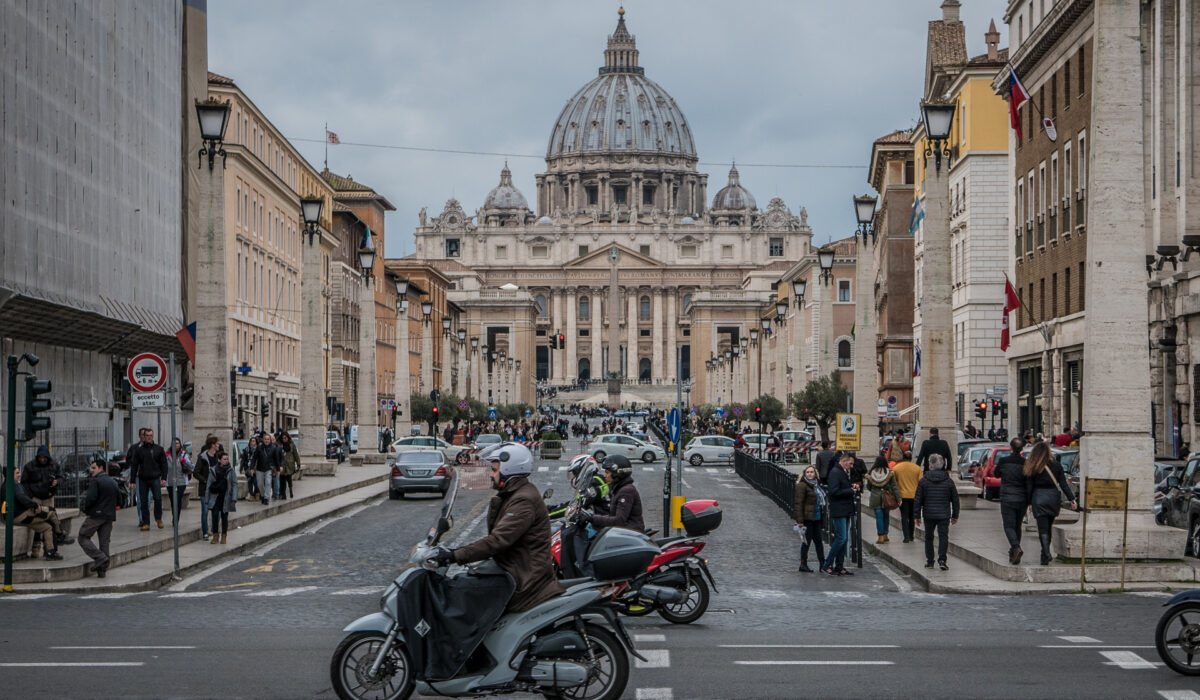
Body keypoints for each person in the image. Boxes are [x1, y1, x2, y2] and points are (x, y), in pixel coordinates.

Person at [434, 443, 565, 612]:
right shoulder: (515, 494)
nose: (491, 475)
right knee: (467, 582)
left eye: (495, 470)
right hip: (515, 569)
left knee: (463, 595)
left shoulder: (523, 500)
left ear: (509, 470)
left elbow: (497, 541)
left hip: (524, 580)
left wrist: (454, 555)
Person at [1024, 442, 1077, 565]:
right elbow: (1063, 484)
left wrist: (1029, 502)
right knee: (1048, 526)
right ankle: (1044, 554)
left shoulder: (1033, 466)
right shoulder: (1056, 465)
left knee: (1042, 528)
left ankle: (1046, 553)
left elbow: (1029, 487)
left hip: (1038, 497)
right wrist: (1072, 499)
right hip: (1053, 497)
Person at [20, 445, 72, 554]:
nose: (42, 459)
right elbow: (24, 483)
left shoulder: (54, 465)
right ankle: (37, 547)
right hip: (35, 498)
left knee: (50, 522)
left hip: (48, 497)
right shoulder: (30, 466)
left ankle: (51, 548)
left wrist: (57, 482)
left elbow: (62, 477)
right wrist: (31, 497)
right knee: (38, 521)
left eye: (45, 458)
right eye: (40, 457)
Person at [914, 454, 959, 570]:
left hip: (928, 513)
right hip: (944, 514)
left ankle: (930, 560)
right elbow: (955, 499)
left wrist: (917, 515)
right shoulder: (949, 481)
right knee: (943, 536)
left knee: (929, 537)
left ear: (930, 466)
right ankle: (942, 559)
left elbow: (918, 499)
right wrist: (955, 515)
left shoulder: (923, 481)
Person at [8, 466, 64, 560]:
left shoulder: (11, 485)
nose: (19, 475)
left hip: (20, 516)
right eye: (17, 473)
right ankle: (60, 534)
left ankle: (50, 552)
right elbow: (23, 499)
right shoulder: (15, 486)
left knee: (47, 527)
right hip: (21, 516)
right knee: (51, 512)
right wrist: (35, 506)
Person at [579, 455, 644, 533]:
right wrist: (592, 517)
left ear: (617, 473)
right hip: (624, 531)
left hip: (631, 533)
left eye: (607, 472)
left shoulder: (626, 491)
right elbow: (612, 516)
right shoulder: (618, 489)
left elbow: (619, 520)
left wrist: (592, 518)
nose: (605, 475)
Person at [78, 458, 118, 577]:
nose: (92, 470)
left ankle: (100, 557)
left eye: (94, 468)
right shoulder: (113, 482)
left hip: (96, 515)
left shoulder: (96, 481)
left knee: (82, 536)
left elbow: (90, 498)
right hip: (109, 516)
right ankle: (102, 570)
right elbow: (119, 498)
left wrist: (87, 510)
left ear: (101, 468)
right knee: (104, 542)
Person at [992, 438, 1029, 564]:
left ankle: (1015, 547)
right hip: (1022, 498)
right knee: (1017, 526)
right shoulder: (1025, 463)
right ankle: (1013, 552)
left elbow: (996, 474)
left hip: (1007, 497)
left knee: (1008, 525)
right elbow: (1028, 481)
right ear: (1022, 449)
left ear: (1011, 448)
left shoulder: (1003, 461)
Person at [822, 453, 859, 576]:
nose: (851, 466)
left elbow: (841, 487)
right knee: (841, 538)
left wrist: (851, 486)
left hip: (845, 509)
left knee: (844, 539)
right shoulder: (835, 472)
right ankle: (827, 564)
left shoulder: (841, 472)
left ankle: (839, 566)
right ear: (844, 461)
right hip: (839, 510)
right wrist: (850, 490)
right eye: (850, 463)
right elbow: (834, 491)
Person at [128, 427, 168, 531]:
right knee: (143, 501)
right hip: (143, 479)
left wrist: (164, 477)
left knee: (158, 499)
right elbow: (134, 466)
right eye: (147, 436)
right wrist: (132, 481)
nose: (149, 437)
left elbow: (164, 464)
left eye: (151, 435)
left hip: (155, 478)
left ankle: (158, 518)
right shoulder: (139, 450)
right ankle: (146, 522)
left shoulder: (159, 449)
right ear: (144, 437)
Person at [793, 465, 826, 573]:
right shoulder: (802, 486)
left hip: (817, 517)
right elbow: (798, 504)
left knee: (818, 542)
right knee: (806, 542)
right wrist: (800, 521)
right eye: (808, 472)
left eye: (812, 472)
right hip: (807, 519)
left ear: (815, 474)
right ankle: (803, 563)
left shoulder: (816, 485)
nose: (810, 474)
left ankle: (823, 564)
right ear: (804, 474)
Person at [865, 455, 901, 544]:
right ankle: (885, 534)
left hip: (875, 497)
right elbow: (894, 487)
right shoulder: (889, 473)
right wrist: (898, 498)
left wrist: (874, 491)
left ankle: (880, 536)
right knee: (886, 516)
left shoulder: (871, 473)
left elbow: (869, 486)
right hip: (887, 497)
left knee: (879, 517)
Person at [206, 451, 237, 544]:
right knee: (214, 516)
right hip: (215, 496)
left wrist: (234, 497)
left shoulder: (231, 470)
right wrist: (207, 499)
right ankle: (215, 535)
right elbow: (209, 484)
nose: (226, 461)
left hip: (226, 497)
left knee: (224, 517)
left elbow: (235, 484)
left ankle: (224, 535)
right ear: (219, 460)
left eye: (227, 459)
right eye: (224, 459)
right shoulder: (213, 470)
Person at [892, 451, 922, 543]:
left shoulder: (896, 468)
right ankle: (911, 535)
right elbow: (921, 482)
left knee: (904, 517)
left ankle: (906, 537)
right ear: (911, 458)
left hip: (902, 496)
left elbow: (894, 483)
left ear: (902, 458)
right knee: (912, 516)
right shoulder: (917, 468)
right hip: (914, 496)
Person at [166, 438, 193, 530]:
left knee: (177, 500)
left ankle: (176, 519)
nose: (176, 445)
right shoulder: (167, 455)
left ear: (180, 444)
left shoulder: (184, 454)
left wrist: (184, 461)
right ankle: (174, 515)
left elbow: (191, 467)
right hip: (170, 482)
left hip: (181, 482)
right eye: (174, 443)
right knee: (173, 500)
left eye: (177, 443)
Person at [194, 437, 219, 539]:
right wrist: (204, 480)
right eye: (216, 444)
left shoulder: (218, 457)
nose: (218, 445)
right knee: (205, 511)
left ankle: (214, 530)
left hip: (216, 488)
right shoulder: (203, 457)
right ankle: (205, 532)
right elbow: (196, 472)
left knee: (217, 511)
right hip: (205, 488)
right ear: (212, 445)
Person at [255, 433, 282, 505]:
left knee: (268, 482)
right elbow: (254, 458)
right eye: (265, 439)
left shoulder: (273, 448)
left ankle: (266, 498)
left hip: (269, 468)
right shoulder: (259, 448)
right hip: (259, 468)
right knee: (260, 484)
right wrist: (251, 468)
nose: (266, 440)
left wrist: (278, 469)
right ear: (263, 440)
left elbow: (276, 459)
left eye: (268, 439)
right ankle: (263, 495)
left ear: (270, 440)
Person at [278, 432, 301, 500]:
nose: (284, 439)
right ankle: (283, 494)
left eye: (285, 438)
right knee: (282, 479)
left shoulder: (291, 444)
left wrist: (298, 463)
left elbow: (295, 454)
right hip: (282, 464)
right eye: (283, 438)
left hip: (290, 464)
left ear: (288, 438)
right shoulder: (280, 445)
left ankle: (290, 489)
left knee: (288, 477)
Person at [241, 436, 260, 500]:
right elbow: (243, 459)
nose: (252, 442)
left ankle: (257, 493)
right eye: (251, 441)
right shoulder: (246, 450)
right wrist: (243, 467)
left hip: (256, 467)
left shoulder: (258, 449)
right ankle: (251, 494)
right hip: (248, 467)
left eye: (254, 441)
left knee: (255, 481)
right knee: (250, 480)